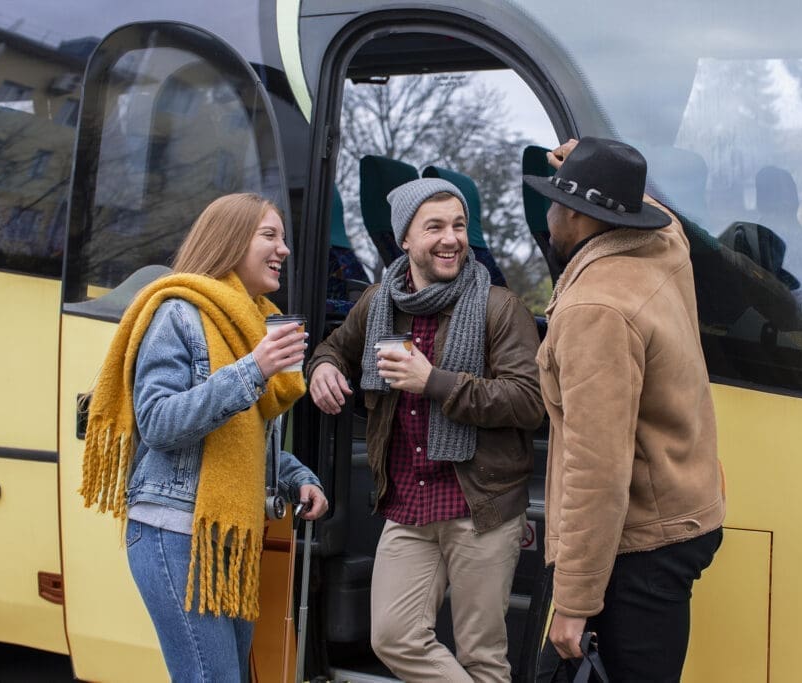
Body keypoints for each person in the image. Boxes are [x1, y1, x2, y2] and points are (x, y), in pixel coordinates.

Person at [79, 193, 329, 682]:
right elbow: (159, 423)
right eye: (270, 235)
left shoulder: (254, 319)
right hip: (172, 532)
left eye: (284, 237)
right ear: (232, 240)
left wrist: (297, 476)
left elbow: (244, 434)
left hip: (221, 542)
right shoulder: (179, 312)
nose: (284, 250)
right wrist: (252, 370)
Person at [308, 177, 543, 682]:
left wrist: (431, 381)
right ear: (405, 240)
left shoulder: (500, 308)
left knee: (483, 657)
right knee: (393, 637)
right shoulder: (378, 303)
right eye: (434, 226)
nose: (451, 238)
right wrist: (322, 368)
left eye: (458, 225)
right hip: (408, 505)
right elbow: (334, 347)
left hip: (479, 506)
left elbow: (528, 402)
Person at [524, 138, 725, 682]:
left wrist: (574, 602)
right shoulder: (662, 247)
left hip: (635, 547)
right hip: (676, 522)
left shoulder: (596, 309)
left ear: (580, 215)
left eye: (555, 202)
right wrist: (597, 169)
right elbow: (661, 216)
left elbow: (598, 469)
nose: (547, 216)